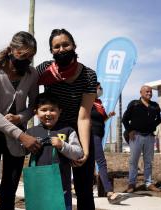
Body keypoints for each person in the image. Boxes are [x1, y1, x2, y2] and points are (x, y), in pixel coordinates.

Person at [0, 31, 41, 210]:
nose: (27, 60)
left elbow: (35, 104)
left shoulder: (32, 74)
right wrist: (22, 136)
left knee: (8, 193)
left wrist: (20, 117)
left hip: (14, 141)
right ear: (12, 50)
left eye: (31, 56)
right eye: (23, 55)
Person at [36, 28, 97, 210]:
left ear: (74, 46)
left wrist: (84, 152)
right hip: (53, 132)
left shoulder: (88, 75)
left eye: (65, 44)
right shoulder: (44, 70)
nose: (61, 49)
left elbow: (84, 116)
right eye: (56, 46)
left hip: (79, 131)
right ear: (51, 51)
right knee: (52, 185)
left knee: (84, 188)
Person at [26, 92, 84, 210]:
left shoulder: (68, 130)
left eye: (52, 109)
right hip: (38, 185)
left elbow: (78, 153)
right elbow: (21, 151)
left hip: (61, 186)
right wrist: (26, 145)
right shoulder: (30, 133)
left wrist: (62, 145)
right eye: (44, 110)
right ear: (36, 112)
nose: (48, 113)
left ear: (60, 111)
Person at [122, 85, 161, 193]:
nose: (149, 93)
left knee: (148, 161)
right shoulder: (134, 104)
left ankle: (148, 183)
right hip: (136, 136)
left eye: (150, 92)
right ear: (141, 92)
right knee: (133, 161)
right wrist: (130, 130)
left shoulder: (155, 106)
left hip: (149, 136)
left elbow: (159, 119)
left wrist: (152, 126)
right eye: (147, 91)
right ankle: (132, 183)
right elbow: (125, 119)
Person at [91, 82, 123, 204]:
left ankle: (82, 188)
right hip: (91, 134)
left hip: (98, 134)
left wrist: (108, 116)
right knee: (101, 162)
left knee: (93, 163)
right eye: (99, 88)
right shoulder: (87, 101)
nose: (101, 90)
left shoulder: (99, 103)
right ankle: (109, 192)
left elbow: (101, 119)